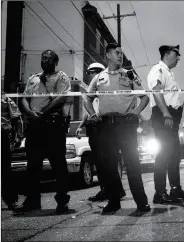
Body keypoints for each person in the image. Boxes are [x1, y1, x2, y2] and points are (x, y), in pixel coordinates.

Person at [84, 43, 150, 214]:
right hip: (106, 126)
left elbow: (144, 97)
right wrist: (92, 114)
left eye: (121, 53)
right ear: (107, 56)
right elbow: (87, 99)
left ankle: (141, 203)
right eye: (117, 53)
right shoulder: (98, 78)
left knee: (132, 163)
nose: (120, 56)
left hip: (125, 124)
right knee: (109, 166)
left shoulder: (129, 74)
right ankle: (114, 202)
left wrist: (136, 112)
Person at [18, 50, 71, 214]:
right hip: (35, 126)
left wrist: (44, 113)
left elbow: (61, 98)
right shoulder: (33, 78)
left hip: (52, 125)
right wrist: (30, 113)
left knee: (58, 164)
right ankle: (33, 200)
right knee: (33, 165)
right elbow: (24, 98)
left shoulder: (61, 76)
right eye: (44, 58)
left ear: (56, 62)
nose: (45, 61)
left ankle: (62, 201)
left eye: (49, 59)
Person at [147, 45, 184, 204]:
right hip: (163, 115)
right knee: (163, 155)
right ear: (167, 54)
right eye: (176, 54)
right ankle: (159, 193)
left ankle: (175, 189)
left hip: (171, 117)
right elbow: (156, 91)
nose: (178, 58)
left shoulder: (168, 72)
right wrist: (166, 113)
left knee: (174, 154)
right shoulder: (158, 69)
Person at [75, 63, 126, 202]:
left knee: (105, 162)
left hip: (101, 129)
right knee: (100, 162)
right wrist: (81, 125)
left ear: (97, 73)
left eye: (90, 72)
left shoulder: (101, 91)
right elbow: (88, 114)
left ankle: (111, 190)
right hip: (94, 129)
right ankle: (110, 190)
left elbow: (98, 113)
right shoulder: (92, 91)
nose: (88, 75)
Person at [1, 89, 23, 210]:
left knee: (5, 169)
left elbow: (17, 119)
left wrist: (18, 136)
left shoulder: (5, 99)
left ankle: (11, 200)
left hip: (3, 135)